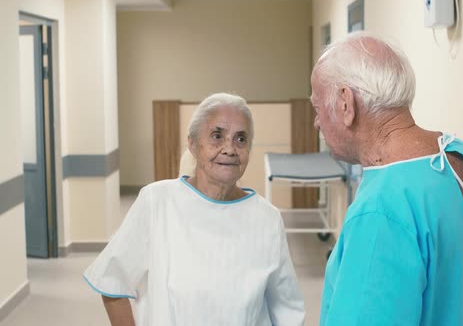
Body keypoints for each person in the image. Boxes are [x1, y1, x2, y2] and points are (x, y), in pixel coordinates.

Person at [311, 33, 463, 325]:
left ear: (345, 104)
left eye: (317, 108)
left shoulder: (380, 209)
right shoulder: (462, 158)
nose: (317, 123)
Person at [83, 93, 305, 326]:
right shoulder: (157, 201)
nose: (229, 149)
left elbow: (287, 311)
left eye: (240, 139)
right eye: (217, 136)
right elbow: (112, 281)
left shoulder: (267, 218)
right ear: (192, 144)